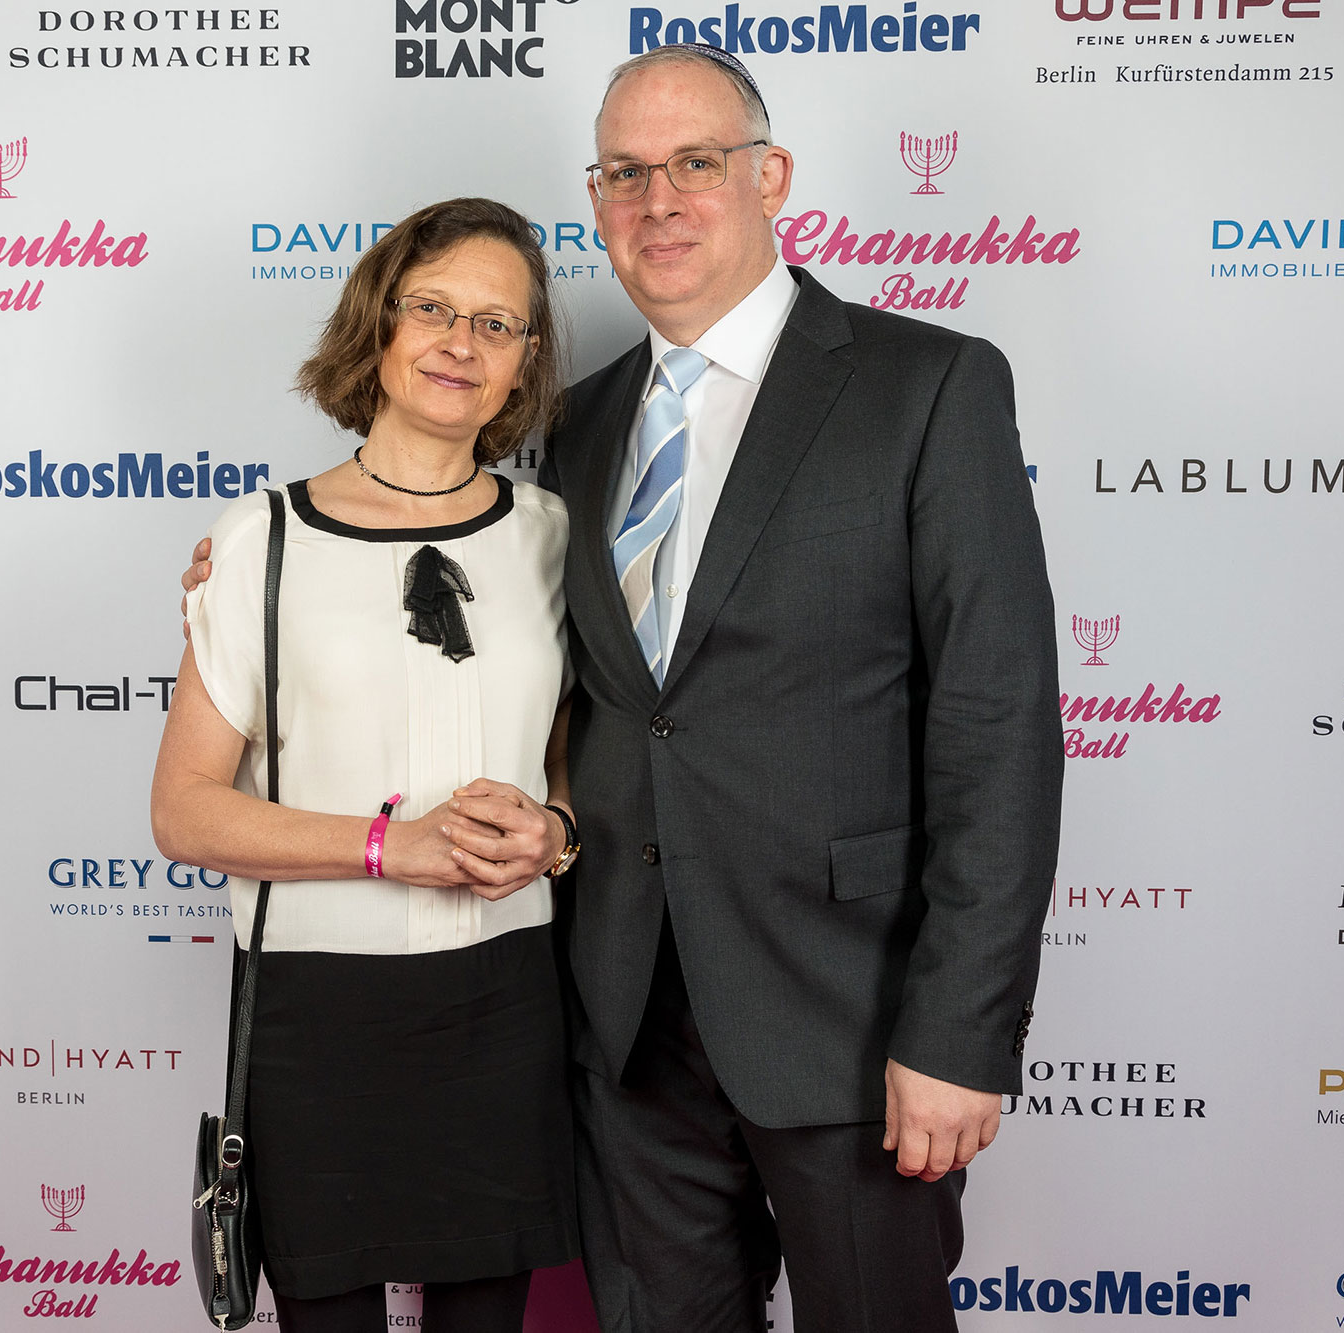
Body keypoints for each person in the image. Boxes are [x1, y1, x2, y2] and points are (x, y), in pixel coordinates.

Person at [184, 45, 1062, 1333]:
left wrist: (959, 1034)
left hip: (847, 1023)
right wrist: (251, 573)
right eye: (624, 173)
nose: (659, 200)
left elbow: (996, 728)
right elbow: (583, 699)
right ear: (594, 200)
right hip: (620, 1028)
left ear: (769, 177)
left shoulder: (925, 386)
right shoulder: (578, 433)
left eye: (695, 163)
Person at [150, 196, 582, 1333]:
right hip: (319, 1011)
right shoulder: (262, 539)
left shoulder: (552, 534)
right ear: (379, 322)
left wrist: (557, 829)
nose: (460, 344)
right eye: (432, 309)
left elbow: (584, 764)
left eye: (497, 324)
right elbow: (185, 811)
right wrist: (393, 845)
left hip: (507, 997)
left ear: (525, 359)